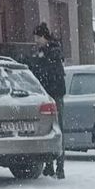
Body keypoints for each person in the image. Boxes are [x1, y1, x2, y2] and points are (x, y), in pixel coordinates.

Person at [24, 23, 67, 178]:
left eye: (37, 37)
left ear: (43, 37)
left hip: (53, 95)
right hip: (50, 95)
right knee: (51, 130)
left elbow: (48, 74)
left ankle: (59, 166)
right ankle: (51, 165)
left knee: (56, 130)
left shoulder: (52, 53)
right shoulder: (48, 52)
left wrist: (36, 65)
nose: (35, 41)